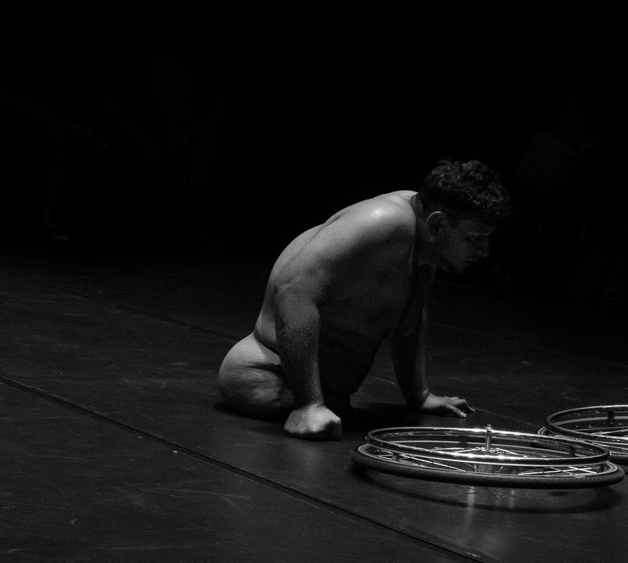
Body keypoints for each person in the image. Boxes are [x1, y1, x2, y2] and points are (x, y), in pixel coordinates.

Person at [218, 159, 512, 440]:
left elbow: (409, 319)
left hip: (323, 398)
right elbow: (293, 290)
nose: (484, 250)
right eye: (474, 238)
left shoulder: (423, 239)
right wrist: (308, 405)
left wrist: (419, 395)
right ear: (437, 225)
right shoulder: (383, 222)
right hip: (267, 376)